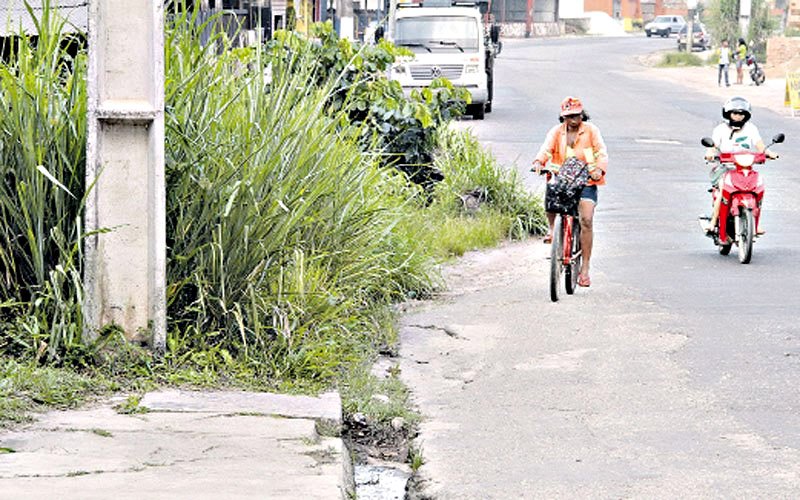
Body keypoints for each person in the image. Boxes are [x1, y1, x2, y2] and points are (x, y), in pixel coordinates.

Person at [532, 97, 608, 287]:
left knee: (586, 220)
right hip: (563, 180)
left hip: (587, 181)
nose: (573, 120)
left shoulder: (591, 131)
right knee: (551, 195)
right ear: (563, 117)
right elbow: (546, 149)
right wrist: (538, 162)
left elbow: (601, 152)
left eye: (576, 115)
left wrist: (599, 168)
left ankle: (584, 269)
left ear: (582, 115)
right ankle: (553, 231)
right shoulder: (557, 132)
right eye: (569, 116)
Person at [703, 96, 777, 236]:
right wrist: (710, 153)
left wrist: (769, 153)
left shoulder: (751, 128)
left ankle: (754, 224)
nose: (738, 117)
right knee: (722, 188)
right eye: (735, 113)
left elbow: (760, 146)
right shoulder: (720, 129)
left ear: (746, 115)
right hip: (725, 167)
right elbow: (713, 146)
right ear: (728, 113)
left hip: (745, 168)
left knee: (758, 189)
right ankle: (713, 222)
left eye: (741, 114)